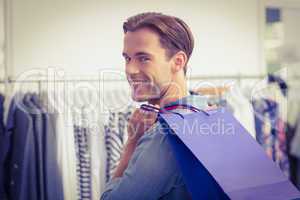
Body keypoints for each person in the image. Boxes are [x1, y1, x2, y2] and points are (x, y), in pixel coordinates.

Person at [101, 12, 209, 200]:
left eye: (143, 58)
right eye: (127, 58)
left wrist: (132, 143)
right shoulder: (206, 111)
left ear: (178, 62)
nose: (129, 70)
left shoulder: (163, 136)